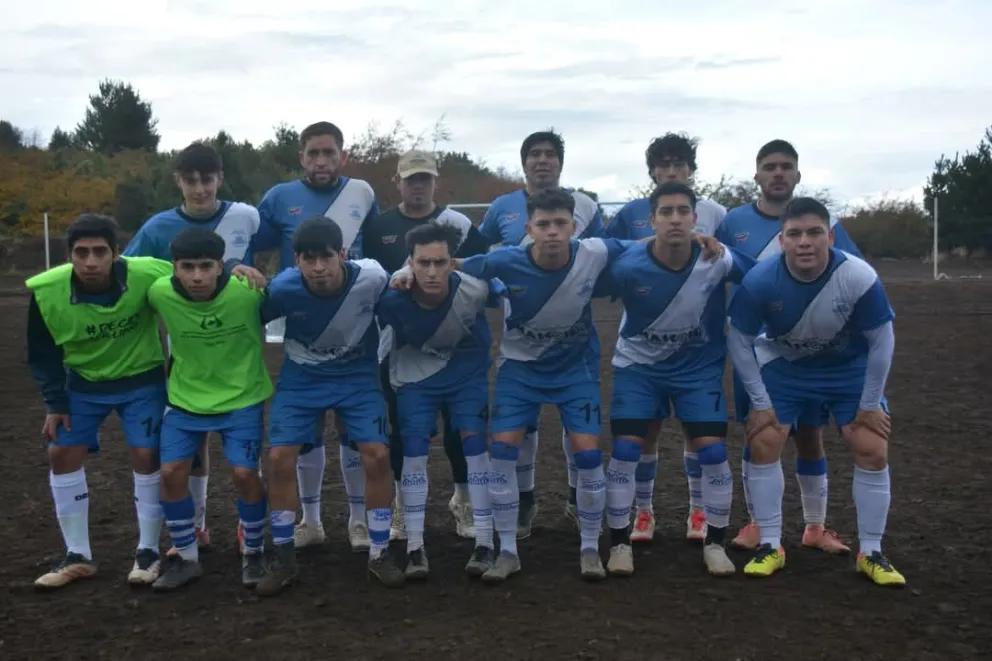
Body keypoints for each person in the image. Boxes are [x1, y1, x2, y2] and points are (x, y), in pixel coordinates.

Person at [726, 197, 905, 587]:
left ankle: (871, 552)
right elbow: (739, 341)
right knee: (764, 439)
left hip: (846, 369)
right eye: (794, 234)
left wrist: (871, 404)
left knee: (872, 446)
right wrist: (760, 403)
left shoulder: (858, 276)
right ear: (782, 240)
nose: (804, 242)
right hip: (785, 367)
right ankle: (770, 545)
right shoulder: (760, 280)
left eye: (814, 232)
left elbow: (882, 340)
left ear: (831, 235)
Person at [597, 181, 754, 577]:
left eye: (683, 211)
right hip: (639, 369)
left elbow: (761, 275)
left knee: (714, 453)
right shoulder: (629, 264)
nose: (675, 219)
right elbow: (583, 281)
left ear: (695, 219)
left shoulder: (717, 258)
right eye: (666, 212)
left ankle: (715, 543)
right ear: (652, 221)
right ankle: (621, 541)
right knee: (626, 452)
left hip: (696, 371)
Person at [716, 140, 861, 554]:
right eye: (769, 167)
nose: (778, 173)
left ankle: (816, 526)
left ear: (797, 175)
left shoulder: (821, 220)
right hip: (757, 350)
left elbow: (850, 274)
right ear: (757, 175)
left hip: (809, 350)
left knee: (810, 434)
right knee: (759, 432)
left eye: (786, 167)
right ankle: (759, 524)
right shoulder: (733, 222)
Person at [123, 141, 266, 556]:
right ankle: (197, 526)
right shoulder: (156, 228)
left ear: (220, 178)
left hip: (237, 350)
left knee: (241, 461)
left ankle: (248, 528)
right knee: (191, 447)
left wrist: (252, 271)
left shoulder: (246, 216)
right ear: (178, 182)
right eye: (191, 180)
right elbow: (131, 279)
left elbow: (286, 244)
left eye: (207, 179)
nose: (200, 189)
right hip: (188, 352)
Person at [248, 121, 380, 553]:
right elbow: (255, 245)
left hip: (354, 317)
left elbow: (381, 247)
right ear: (301, 157)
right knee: (304, 434)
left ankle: (359, 521)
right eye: (313, 153)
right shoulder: (279, 198)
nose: (321, 161)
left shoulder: (362, 192)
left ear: (343, 155)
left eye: (329, 153)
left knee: (351, 430)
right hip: (303, 317)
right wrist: (241, 269)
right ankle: (311, 520)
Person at [255, 217, 402, 595]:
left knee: (377, 454)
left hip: (356, 377)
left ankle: (380, 551)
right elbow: (244, 315)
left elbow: (402, 284)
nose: (318, 268)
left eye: (326, 258)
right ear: (297, 260)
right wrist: (238, 276)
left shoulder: (371, 277)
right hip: (303, 378)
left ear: (342, 255)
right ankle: (285, 558)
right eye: (308, 259)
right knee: (279, 458)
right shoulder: (283, 288)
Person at [26, 213, 172, 589]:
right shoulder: (47, 291)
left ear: (117, 254)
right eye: (81, 253)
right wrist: (55, 403)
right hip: (84, 385)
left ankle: (148, 551)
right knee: (60, 453)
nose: (91, 262)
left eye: (100, 252)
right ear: (69, 256)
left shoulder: (148, 271)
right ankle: (78, 555)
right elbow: (41, 353)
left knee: (146, 454)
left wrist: (238, 270)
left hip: (143, 380)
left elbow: (195, 273)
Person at [478, 129, 605, 538]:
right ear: (524, 162)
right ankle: (526, 499)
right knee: (522, 426)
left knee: (578, 427)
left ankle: (575, 496)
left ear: (561, 163)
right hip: (522, 338)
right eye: (534, 154)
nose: (542, 161)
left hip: (574, 338)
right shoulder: (501, 207)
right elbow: (485, 255)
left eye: (550, 154)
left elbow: (604, 252)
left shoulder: (584, 204)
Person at [361, 148, 490, 542]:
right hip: (399, 344)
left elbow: (483, 268)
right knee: (403, 430)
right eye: (411, 178)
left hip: (455, 343)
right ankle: (402, 504)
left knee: (460, 429)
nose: (418, 185)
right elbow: (367, 277)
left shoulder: (458, 224)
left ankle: (463, 498)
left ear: (436, 181)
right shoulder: (380, 225)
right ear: (397, 181)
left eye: (425, 178)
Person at [606, 132, 729, 544]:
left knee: (701, 434)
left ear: (691, 170)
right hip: (645, 344)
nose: (672, 171)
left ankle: (698, 510)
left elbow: (729, 260)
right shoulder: (631, 213)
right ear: (652, 172)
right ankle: (644, 512)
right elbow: (612, 252)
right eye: (664, 164)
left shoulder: (715, 212)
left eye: (680, 164)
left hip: (698, 345)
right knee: (646, 430)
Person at [146, 227, 271, 591]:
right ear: (174, 268)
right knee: (170, 473)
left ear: (220, 267)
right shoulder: (159, 292)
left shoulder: (249, 293)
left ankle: (253, 552)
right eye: (187, 267)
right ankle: (186, 557)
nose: (197, 276)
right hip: (185, 401)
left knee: (246, 474)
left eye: (205, 266)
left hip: (242, 398)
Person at [377, 222, 502, 578]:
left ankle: (484, 543)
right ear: (410, 263)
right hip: (416, 376)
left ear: (452, 263)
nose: (432, 271)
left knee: (474, 445)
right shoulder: (392, 298)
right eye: (423, 263)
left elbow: (513, 283)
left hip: (466, 373)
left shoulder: (476, 288)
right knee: (414, 449)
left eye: (440, 262)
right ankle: (415, 547)